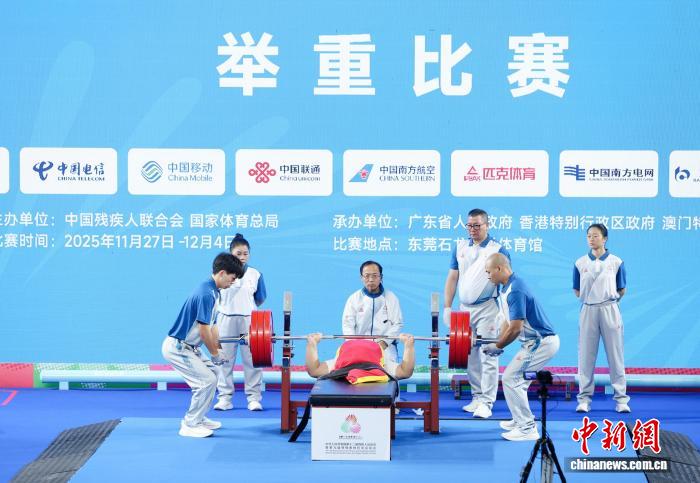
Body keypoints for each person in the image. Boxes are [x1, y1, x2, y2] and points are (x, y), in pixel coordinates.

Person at [162, 252, 245, 438]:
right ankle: (190, 424)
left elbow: (213, 326)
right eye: (232, 278)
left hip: (190, 347)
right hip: (177, 347)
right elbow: (203, 330)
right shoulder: (206, 293)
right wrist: (214, 354)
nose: (233, 282)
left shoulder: (215, 292)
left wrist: (219, 350)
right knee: (206, 381)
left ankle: (199, 417)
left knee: (214, 373)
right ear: (222, 273)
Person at [482, 253, 560, 441]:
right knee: (518, 381)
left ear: (499, 268)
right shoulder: (505, 289)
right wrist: (497, 343)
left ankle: (527, 428)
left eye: (489, 272)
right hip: (532, 343)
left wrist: (497, 346)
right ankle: (520, 420)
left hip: (542, 342)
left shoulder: (515, 290)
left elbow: (515, 328)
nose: (488, 276)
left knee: (511, 378)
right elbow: (507, 322)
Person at [443, 208, 510, 419]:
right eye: (469, 225)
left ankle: (487, 402)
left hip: (487, 308)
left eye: (477, 225)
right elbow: (452, 278)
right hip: (464, 309)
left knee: (488, 354)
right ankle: (477, 396)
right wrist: (447, 307)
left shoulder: (497, 249)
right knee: (470, 355)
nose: (472, 229)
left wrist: (504, 313)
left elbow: (506, 281)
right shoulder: (460, 247)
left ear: (487, 225)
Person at [574, 224, 630, 413]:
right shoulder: (580, 263)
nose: (591, 239)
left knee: (615, 355)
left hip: (609, 309)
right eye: (589, 236)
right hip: (588, 310)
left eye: (596, 236)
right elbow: (577, 290)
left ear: (605, 238)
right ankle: (584, 399)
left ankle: (621, 400)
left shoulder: (616, 262)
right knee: (585, 356)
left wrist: (607, 300)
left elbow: (622, 289)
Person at [213, 234, 267, 412]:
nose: (242, 257)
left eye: (245, 253)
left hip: (249, 320)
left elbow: (260, 298)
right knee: (224, 360)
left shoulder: (255, 274)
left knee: (252, 360)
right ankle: (225, 398)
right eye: (238, 253)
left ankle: (253, 398)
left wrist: (246, 308)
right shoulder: (223, 273)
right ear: (231, 253)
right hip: (225, 318)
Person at [341, 261, 403, 363]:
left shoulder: (391, 298)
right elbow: (347, 325)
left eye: (375, 276)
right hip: (359, 347)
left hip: (385, 347)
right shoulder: (354, 299)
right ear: (361, 277)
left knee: (388, 370)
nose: (371, 279)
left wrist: (384, 343)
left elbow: (397, 324)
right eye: (367, 276)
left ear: (381, 277)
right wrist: (354, 345)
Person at [305, 333, 416, 380]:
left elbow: (314, 370)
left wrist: (312, 344)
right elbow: (405, 372)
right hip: (359, 357)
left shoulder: (337, 362)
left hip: (354, 356)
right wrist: (408, 346)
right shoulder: (384, 363)